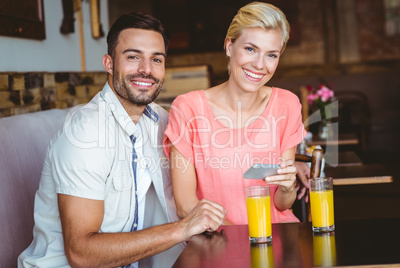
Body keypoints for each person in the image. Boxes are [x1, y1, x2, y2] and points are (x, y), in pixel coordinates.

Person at [18, 12, 226, 267]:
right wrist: (182, 229)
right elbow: (81, 254)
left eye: (156, 59)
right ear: (109, 63)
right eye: (133, 57)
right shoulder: (87, 133)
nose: (146, 69)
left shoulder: (162, 122)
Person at [163, 2, 307, 225]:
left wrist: (288, 187)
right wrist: (244, 242)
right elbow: (185, 206)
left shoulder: (287, 104)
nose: (260, 64)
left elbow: (281, 204)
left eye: (271, 55)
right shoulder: (188, 108)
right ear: (229, 46)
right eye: (250, 49)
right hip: (218, 244)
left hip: (278, 240)